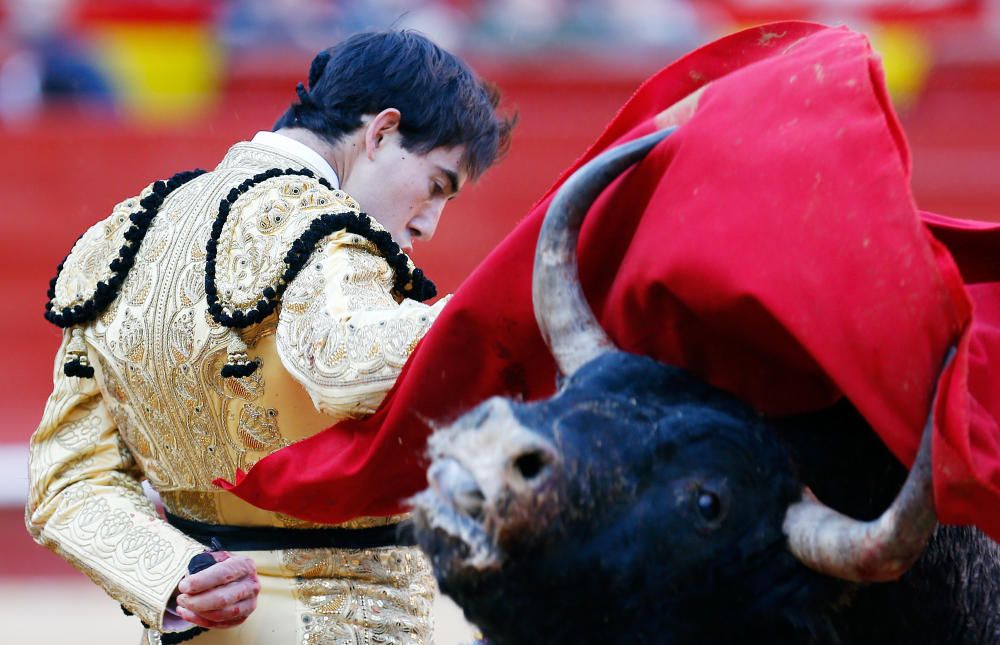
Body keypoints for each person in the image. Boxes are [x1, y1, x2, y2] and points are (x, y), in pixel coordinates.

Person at [26, 29, 514, 644]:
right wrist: (508, 307)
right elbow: (347, 365)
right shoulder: (327, 228)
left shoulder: (120, 239)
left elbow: (67, 481)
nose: (428, 222)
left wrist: (176, 574)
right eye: (437, 185)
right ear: (382, 132)